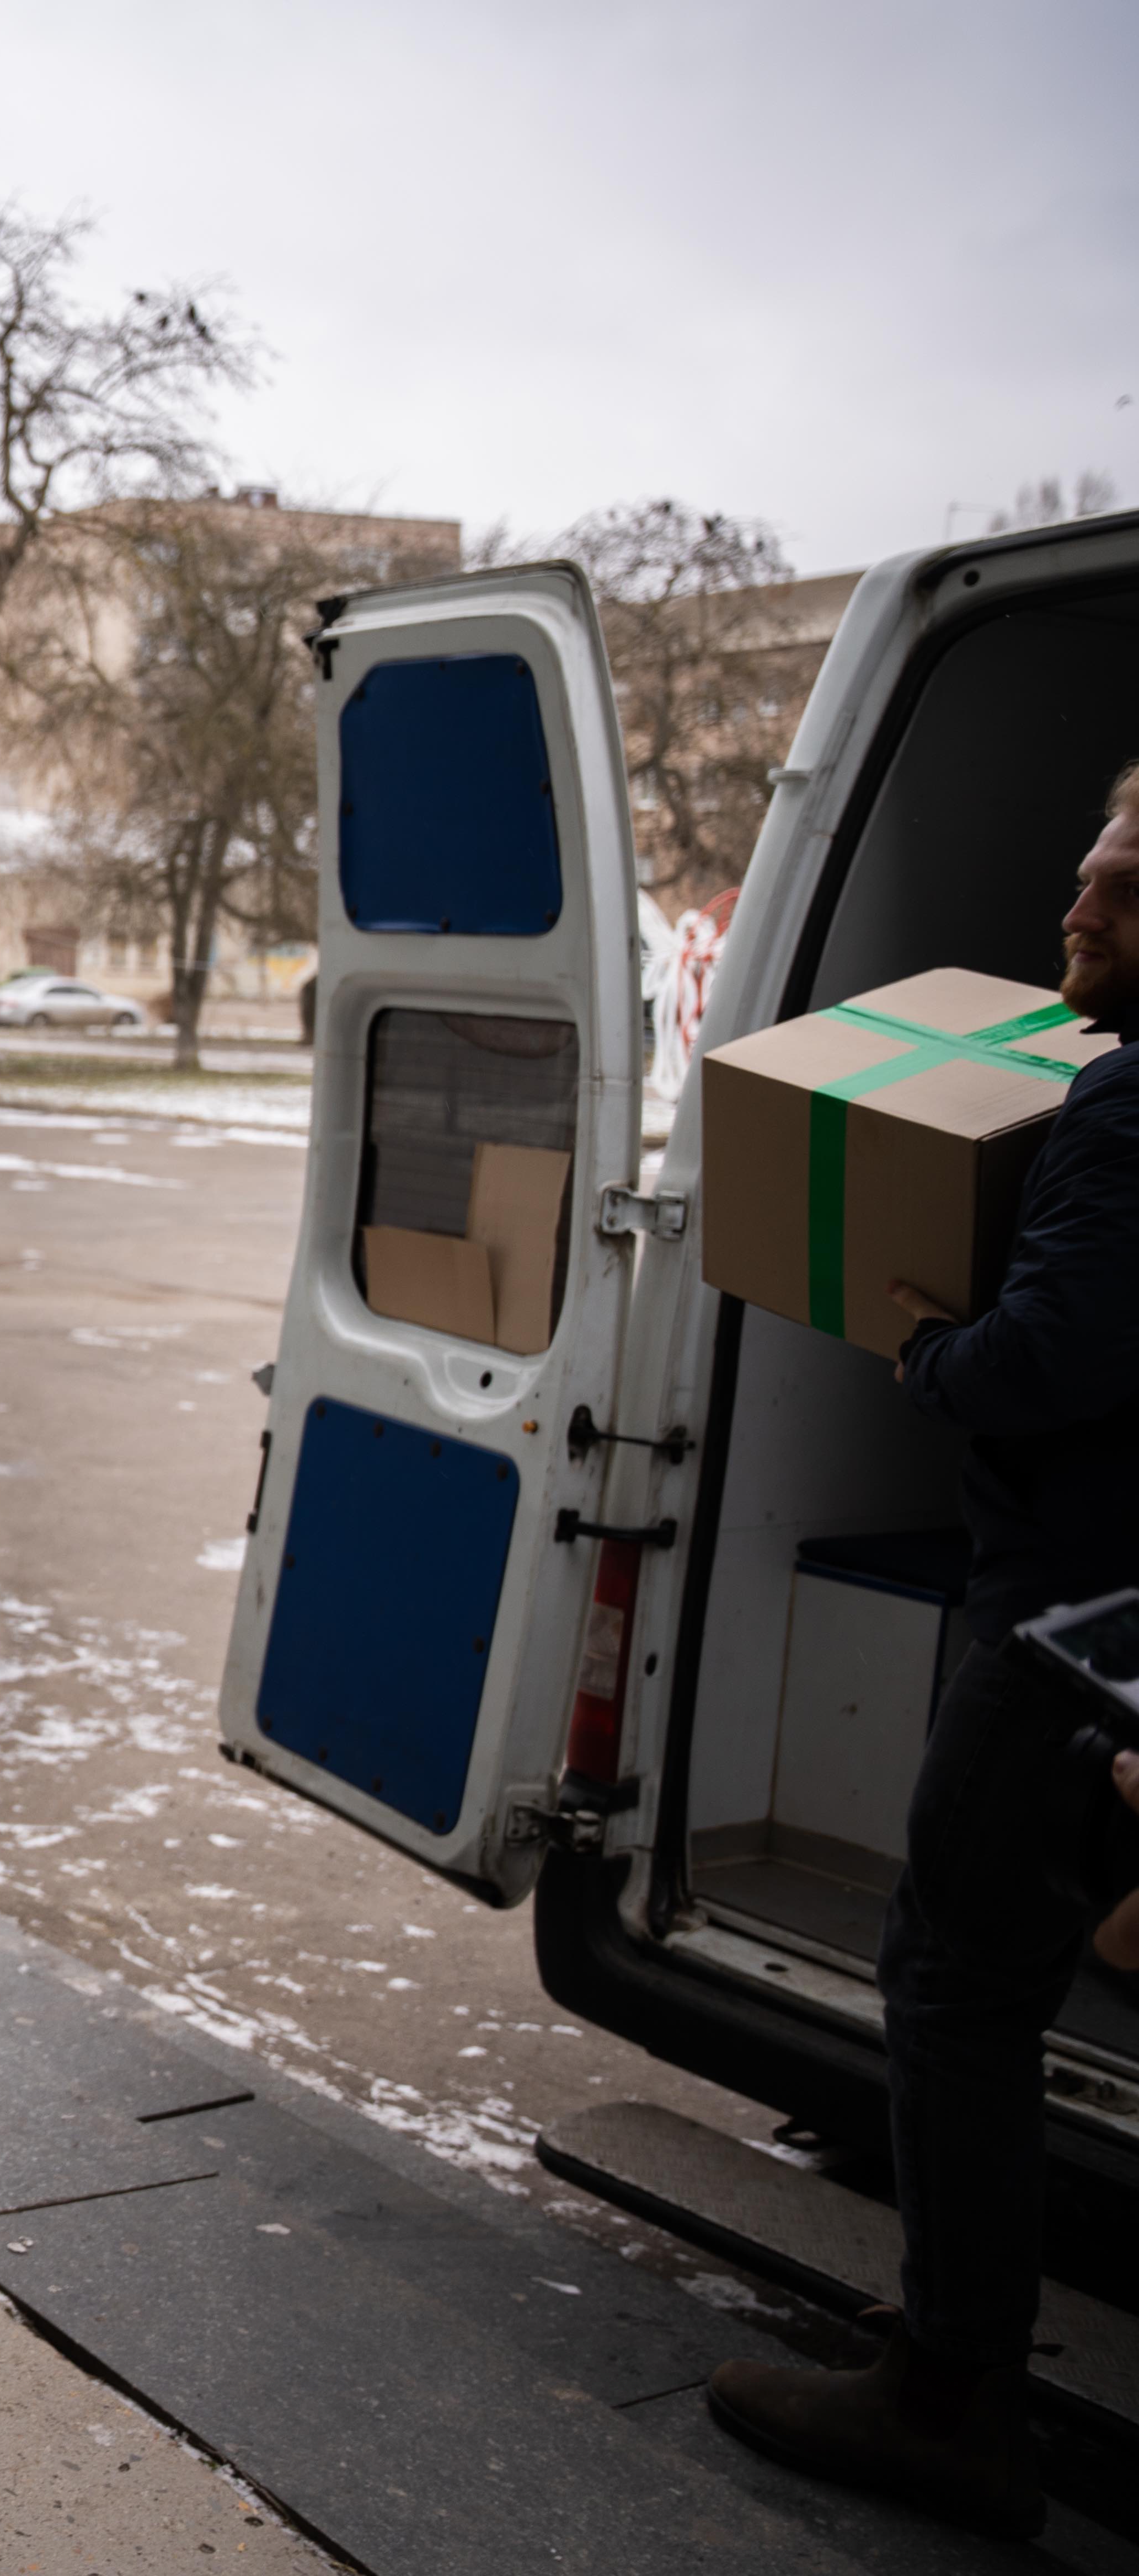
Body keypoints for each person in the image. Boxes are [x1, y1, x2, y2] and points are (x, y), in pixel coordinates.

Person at [707, 759, 1139, 2540]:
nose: (1078, 908)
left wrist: (921, 1355)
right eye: (1091, 867)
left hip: (1060, 1634)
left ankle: (950, 2394)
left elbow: (1044, 1364)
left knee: (957, 1989)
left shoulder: (1120, 1115)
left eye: (1119, 882)